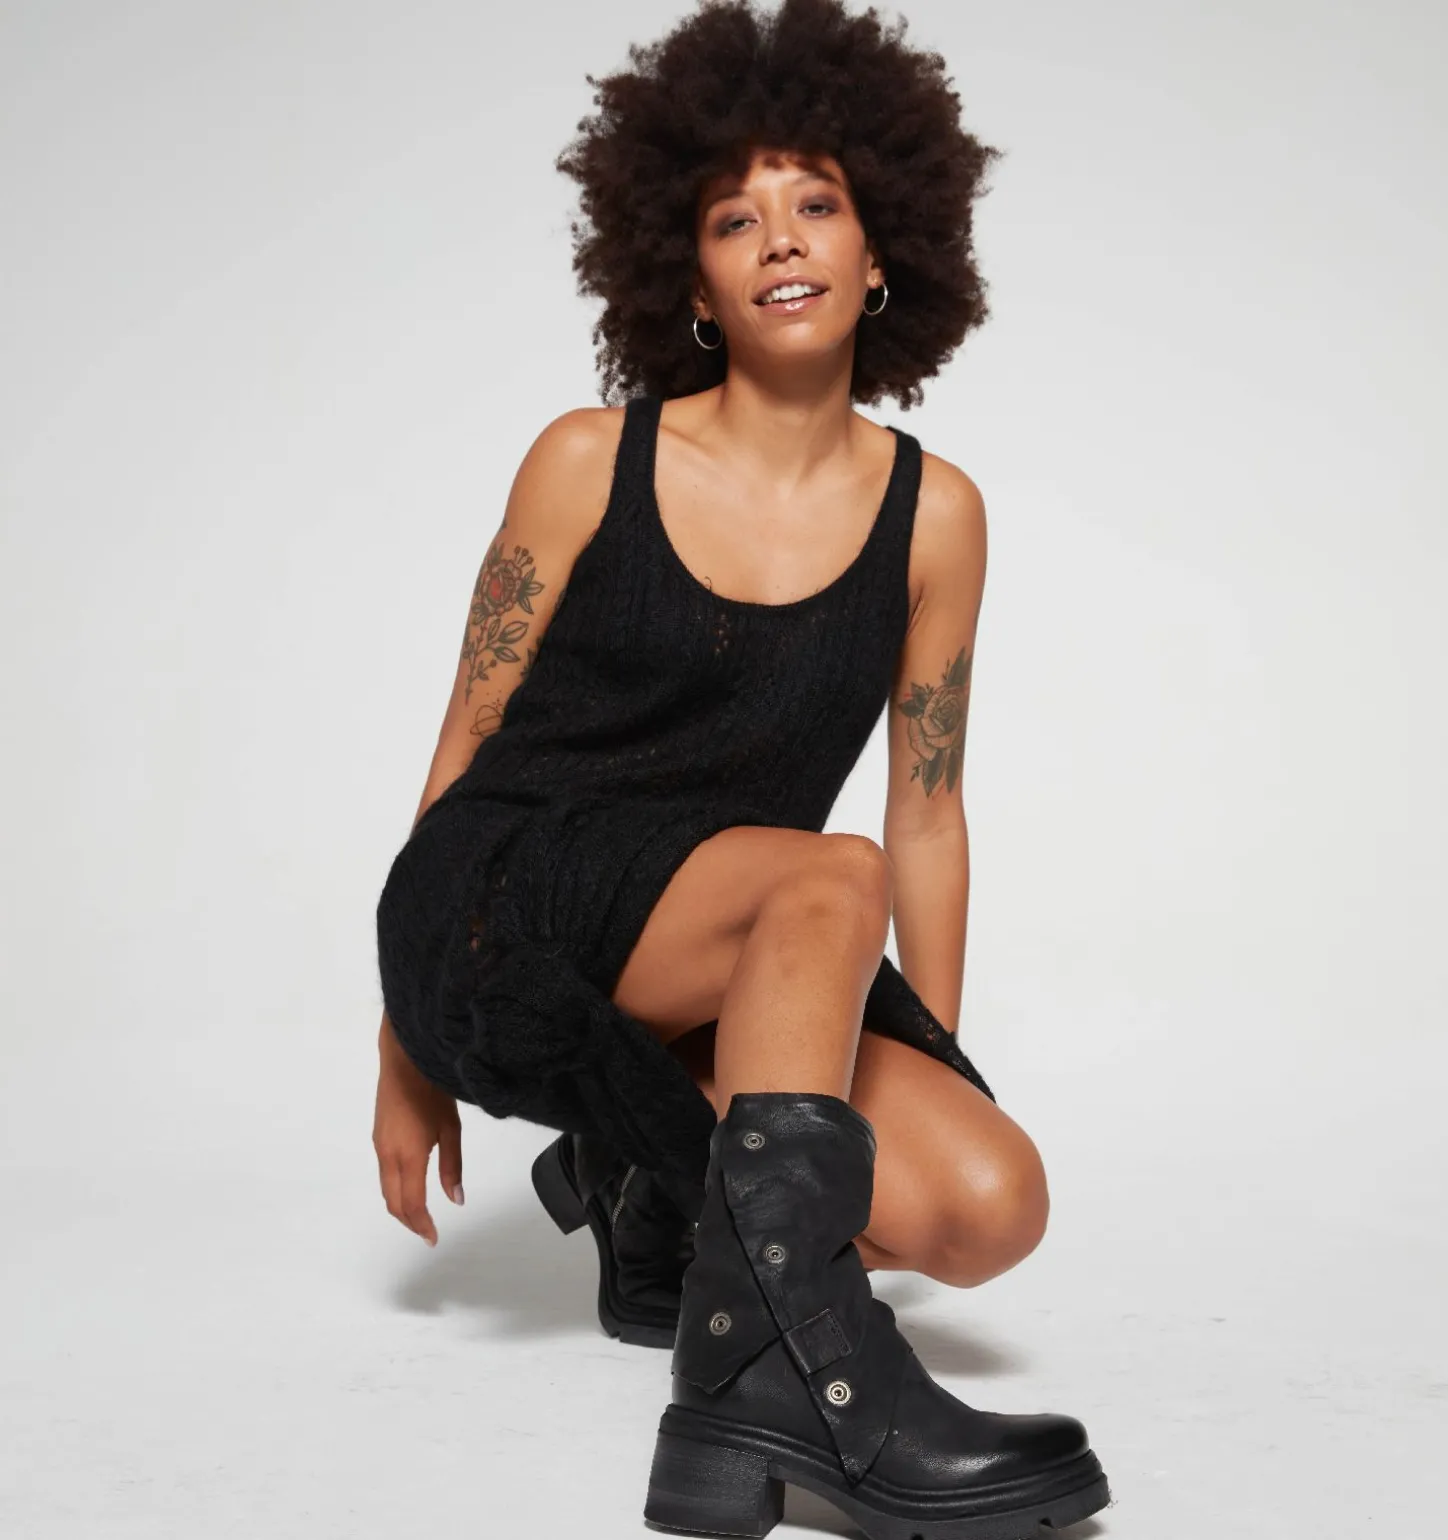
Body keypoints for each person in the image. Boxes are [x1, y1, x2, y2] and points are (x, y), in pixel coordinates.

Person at [373, 0, 1112, 1532]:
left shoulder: (938, 516)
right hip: (512, 909)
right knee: (829, 874)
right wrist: (403, 1051)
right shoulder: (589, 460)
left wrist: (920, 1058)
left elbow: (928, 812)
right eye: (733, 217)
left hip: (744, 934)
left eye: (816, 202)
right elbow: (465, 743)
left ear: (882, 246)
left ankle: (646, 1180)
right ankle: (771, 1389)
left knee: (989, 1205)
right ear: (692, 277)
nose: (779, 237)